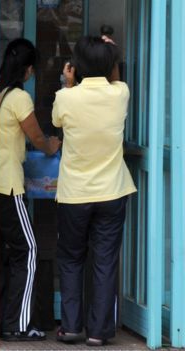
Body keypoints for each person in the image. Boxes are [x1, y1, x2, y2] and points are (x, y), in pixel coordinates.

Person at [52, 36, 136, 347]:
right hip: (113, 191)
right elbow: (114, 77)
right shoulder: (120, 93)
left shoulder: (65, 97)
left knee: (72, 259)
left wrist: (69, 83)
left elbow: (56, 121)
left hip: (75, 194)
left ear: (76, 66)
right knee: (104, 261)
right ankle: (99, 332)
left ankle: (71, 327)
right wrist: (111, 51)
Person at [0, 38, 61, 341]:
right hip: (10, 185)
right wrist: (53, 144)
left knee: (8, 254)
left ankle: (2, 319)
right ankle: (17, 324)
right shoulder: (20, 98)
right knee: (30, 250)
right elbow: (37, 138)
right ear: (29, 69)